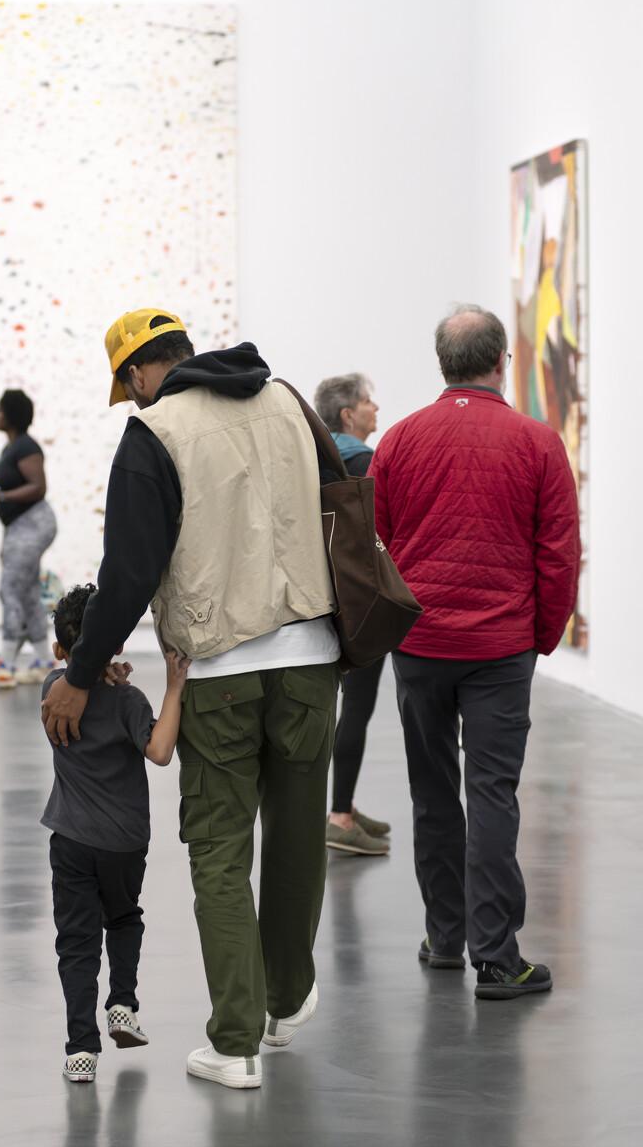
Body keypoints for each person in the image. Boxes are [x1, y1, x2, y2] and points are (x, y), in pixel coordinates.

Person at [41, 308, 340, 1089]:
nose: (133, 399)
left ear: (141, 371)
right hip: (312, 656)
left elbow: (128, 571)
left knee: (218, 849)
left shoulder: (154, 433)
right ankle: (286, 995)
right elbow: (342, 505)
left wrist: (79, 675)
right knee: (298, 836)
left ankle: (235, 1041)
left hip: (219, 669)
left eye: (128, 385)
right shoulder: (286, 400)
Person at [369, 305, 580, 999]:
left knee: (431, 794)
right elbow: (556, 556)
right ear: (500, 362)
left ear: (442, 363)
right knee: (491, 794)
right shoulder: (537, 442)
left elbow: (377, 546)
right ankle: (495, 956)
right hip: (498, 649)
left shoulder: (398, 441)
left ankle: (444, 936)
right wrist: (540, 636)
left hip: (420, 646)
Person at [42, 582, 190, 1083]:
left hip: (71, 840)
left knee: (77, 942)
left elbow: (76, 679)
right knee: (123, 919)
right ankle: (122, 1004)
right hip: (125, 842)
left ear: (61, 650)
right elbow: (161, 751)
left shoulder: (51, 693)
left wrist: (97, 670)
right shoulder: (130, 702)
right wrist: (174, 687)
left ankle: (81, 1050)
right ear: (119, 644)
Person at [314, 374, 390, 856]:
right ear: (348, 414)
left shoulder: (320, 458)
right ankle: (339, 815)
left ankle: (344, 803)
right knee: (357, 709)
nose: (375, 408)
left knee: (347, 707)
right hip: (365, 601)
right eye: (367, 402)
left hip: (331, 598)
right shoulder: (363, 463)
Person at [0, 389, 57, 689]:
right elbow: (5, 487)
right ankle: (45, 662)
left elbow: (38, 487)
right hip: (20, 527)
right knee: (28, 593)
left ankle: (5, 665)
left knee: (9, 590)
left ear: (9, 415)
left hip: (32, 524)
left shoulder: (26, 447)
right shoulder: (12, 448)